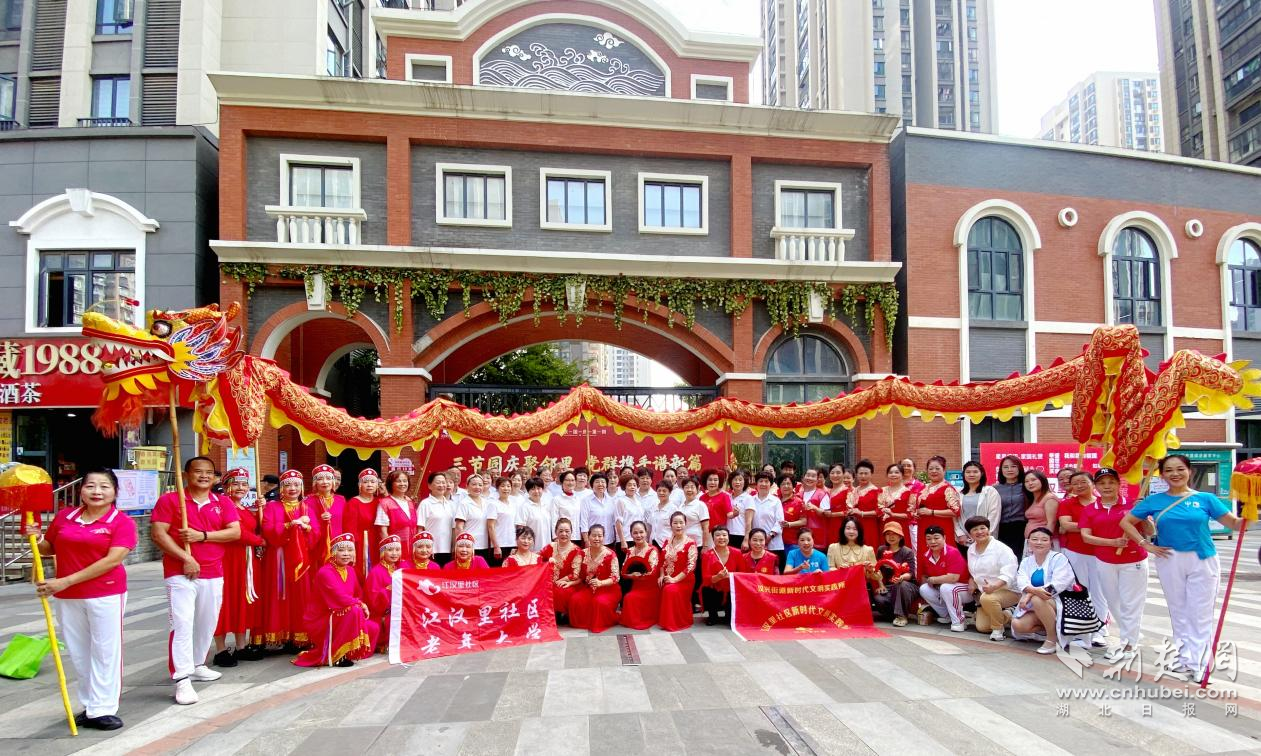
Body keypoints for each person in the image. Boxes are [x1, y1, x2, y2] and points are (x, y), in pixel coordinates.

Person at [24, 468, 136, 730]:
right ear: (81, 490)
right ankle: (90, 705)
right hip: (68, 596)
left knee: (105, 651)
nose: (97, 491)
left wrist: (65, 581)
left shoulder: (122, 522)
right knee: (79, 651)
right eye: (90, 486)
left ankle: (104, 708)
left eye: (104, 486)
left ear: (115, 492)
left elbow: (112, 560)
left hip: (105, 593)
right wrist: (37, 537)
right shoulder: (66, 516)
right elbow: (50, 547)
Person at [1123, 454, 1245, 679]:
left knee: (1200, 612)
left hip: (1202, 558)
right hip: (1169, 558)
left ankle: (1199, 663)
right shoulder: (1154, 501)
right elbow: (1126, 522)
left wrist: (1250, 510)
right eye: (1169, 470)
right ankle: (1184, 657)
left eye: (1180, 469)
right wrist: (1145, 545)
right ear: (1162, 475)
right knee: (1178, 610)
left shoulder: (1206, 499)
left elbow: (1234, 524)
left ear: (1190, 471)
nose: (1175, 474)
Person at [151, 456, 241, 706]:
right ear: (185, 475)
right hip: (180, 572)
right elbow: (158, 534)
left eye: (208, 472)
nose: (203, 476)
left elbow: (234, 532)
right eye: (198, 471)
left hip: (213, 570)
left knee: (207, 620)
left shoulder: (222, 502)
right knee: (182, 623)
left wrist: (201, 536)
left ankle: (198, 663)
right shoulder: (171, 500)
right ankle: (181, 678)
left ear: (214, 477)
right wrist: (185, 557)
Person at [1080, 467, 1148, 661]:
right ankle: (1130, 636)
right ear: (1096, 486)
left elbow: (1150, 530)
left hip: (1133, 560)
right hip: (1105, 560)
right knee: (1113, 602)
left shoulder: (1133, 504)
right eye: (1102, 483)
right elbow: (1086, 536)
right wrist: (1112, 543)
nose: (1107, 486)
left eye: (1111, 482)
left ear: (1119, 484)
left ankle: (1129, 644)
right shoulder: (1090, 509)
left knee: (1131, 603)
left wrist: (1143, 513)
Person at [294, 534, 379, 668]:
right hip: (323, 618)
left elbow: (358, 594)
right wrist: (360, 604)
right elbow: (339, 598)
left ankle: (351, 652)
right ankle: (338, 655)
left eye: (350, 550)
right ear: (333, 553)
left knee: (373, 627)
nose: (346, 554)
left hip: (342, 612)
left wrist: (360, 603)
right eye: (341, 550)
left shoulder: (350, 571)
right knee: (354, 611)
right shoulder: (325, 572)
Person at [213, 468, 265, 668]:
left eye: (244, 484)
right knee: (225, 602)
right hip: (228, 559)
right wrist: (259, 541)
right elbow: (238, 533)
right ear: (226, 486)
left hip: (245, 561)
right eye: (235, 483)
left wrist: (260, 510)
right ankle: (220, 649)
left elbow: (253, 526)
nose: (241, 488)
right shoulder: (222, 505)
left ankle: (241, 645)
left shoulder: (243, 507)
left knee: (241, 600)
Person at [261, 470, 315, 653]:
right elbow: (267, 530)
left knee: (299, 595)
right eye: (288, 485)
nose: (293, 488)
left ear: (302, 487)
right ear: (281, 488)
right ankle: (279, 635)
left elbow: (316, 534)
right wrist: (289, 525)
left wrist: (307, 528)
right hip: (279, 558)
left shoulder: (307, 508)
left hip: (300, 558)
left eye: (296, 484)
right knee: (279, 594)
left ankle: (298, 637)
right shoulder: (272, 507)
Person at [1058, 470, 1108, 647]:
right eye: (1075, 483)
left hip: (1101, 553)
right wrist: (1096, 525)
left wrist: (1082, 526)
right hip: (1075, 551)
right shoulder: (1067, 504)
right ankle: (1082, 630)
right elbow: (1065, 525)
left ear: (1092, 483)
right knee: (1079, 591)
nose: (1079, 486)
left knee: (1099, 592)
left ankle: (1100, 631)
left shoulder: (1103, 502)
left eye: (1083, 482)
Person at [1010, 528, 1078, 654]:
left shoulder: (1059, 558)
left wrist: (1029, 594)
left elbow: (1059, 583)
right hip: (1035, 604)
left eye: (1044, 540)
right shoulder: (1026, 561)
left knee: (1038, 599)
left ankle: (1052, 639)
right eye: (1035, 539)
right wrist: (1032, 592)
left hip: (1060, 601)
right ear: (1028, 542)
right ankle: (1048, 629)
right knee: (1018, 625)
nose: (1039, 542)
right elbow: (1022, 581)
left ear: (1050, 542)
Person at [964, 516, 1019, 641]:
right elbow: (974, 571)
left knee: (988, 598)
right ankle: (1008, 615)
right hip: (985, 592)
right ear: (970, 534)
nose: (979, 532)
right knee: (982, 627)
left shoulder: (1002, 549)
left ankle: (998, 629)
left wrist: (994, 586)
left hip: (1008, 590)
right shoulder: (971, 549)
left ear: (988, 529)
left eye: (982, 528)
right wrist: (972, 581)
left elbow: (1009, 573)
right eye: (975, 530)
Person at [569, 524, 621, 633]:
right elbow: (577, 574)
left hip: (608, 589)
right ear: (588, 537)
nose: (597, 538)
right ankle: (586, 622)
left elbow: (615, 577)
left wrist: (601, 583)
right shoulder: (582, 553)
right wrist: (567, 582)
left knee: (599, 602)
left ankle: (610, 618)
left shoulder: (611, 554)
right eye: (594, 535)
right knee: (575, 600)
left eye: (600, 536)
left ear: (603, 537)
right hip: (589, 589)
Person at [918, 525, 970, 632]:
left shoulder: (952, 552)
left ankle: (959, 621)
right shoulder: (926, 555)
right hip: (944, 588)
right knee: (924, 589)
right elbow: (924, 576)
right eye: (929, 539)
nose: (933, 541)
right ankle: (947, 615)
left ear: (944, 538)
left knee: (947, 587)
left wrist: (933, 580)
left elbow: (953, 578)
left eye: (936, 538)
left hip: (966, 588)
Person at [364, 534, 407, 652]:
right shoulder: (376, 572)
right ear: (383, 552)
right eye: (390, 550)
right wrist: (388, 590)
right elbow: (373, 602)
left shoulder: (401, 569)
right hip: (382, 614)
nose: (394, 553)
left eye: (397, 550)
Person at [658, 512, 698, 631]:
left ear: (685, 524)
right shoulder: (667, 541)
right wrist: (661, 575)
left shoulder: (691, 543)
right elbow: (662, 561)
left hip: (684, 580)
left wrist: (675, 579)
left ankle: (676, 622)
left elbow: (691, 566)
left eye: (681, 522)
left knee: (669, 590)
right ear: (671, 525)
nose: (678, 525)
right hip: (668, 577)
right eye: (675, 523)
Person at [340, 469, 383, 580]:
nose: (369, 485)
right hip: (361, 543)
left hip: (377, 541)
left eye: (373, 482)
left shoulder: (380, 502)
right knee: (361, 571)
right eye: (366, 482)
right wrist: (351, 547)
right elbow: (349, 528)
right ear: (360, 485)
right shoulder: (353, 503)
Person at [872, 522, 917, 626]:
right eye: (888, 534)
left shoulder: (907, 552)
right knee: (879, 599)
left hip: (906, 585)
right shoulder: (882, 550)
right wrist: (881, 585)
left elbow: (910, 574)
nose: (891, 537)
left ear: (900, 536)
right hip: (889, 586)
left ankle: (902, 616)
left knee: (901, 585)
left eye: (894, 534)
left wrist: (901, 577)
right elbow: (877, 569)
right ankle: (894, 615)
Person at [539, 518, 584, 623]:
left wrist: (561, 581)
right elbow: (537, 558)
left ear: (571, 532)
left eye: (567, 531)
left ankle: (561, 613)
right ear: (556, 532)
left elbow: (575, 574)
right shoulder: (550, 547)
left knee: (559, 591)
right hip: (550, 581)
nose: (564, 534)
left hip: (570, 583)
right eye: (561, 531)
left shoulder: (577, 551)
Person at [619, 521, 661, 629]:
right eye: (635, 533)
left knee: (631, 598)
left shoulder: (653, 550)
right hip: (636, 586)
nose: (638, 535)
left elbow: (652, 572)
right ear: (631, 534)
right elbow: (623, 572)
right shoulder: (630, 551)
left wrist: (640, 576)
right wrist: (631, 575)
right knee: (628, 597)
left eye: (641, 532)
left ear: (646, 533)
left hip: (651, 587)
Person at [916, 456, 960, 558]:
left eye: (937, 468)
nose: (934, 471)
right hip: (924, 527)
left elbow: (955, 511)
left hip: (942, 528)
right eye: (930, 469)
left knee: (942, 556)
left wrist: (931, 512)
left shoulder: (948, 489)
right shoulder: (923, 488)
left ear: (944, 470)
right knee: (925, 555)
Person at [701, 526, 744, 625]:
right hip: (715, 587)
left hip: (731, 588)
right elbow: (705, 578)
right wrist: (718, 577)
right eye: (717, 535)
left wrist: (731, 575)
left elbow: (743, 574)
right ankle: (712, 615)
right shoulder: (707, 555)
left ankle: (729, 614)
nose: (721, 538)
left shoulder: (737, 553)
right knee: (706, 589)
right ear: (713, 538)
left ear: (728, 537)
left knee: (729, 620)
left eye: (724, 535)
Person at [304, 464, 344, 567]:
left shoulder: (341, 500)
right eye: (320, 479)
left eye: (328, 478)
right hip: (317, 546)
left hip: (337, 545)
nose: (325, 482)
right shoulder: (307, 501)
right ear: (315, 482)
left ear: (333, 481)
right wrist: (318, 520)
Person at [956, 461, 1000, 554]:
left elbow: (994, 515)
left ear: (982, 473)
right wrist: (960, 534)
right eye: (968, 472)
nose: (971, 475)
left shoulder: (990, 491)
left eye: (975, 472)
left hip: (985, 538)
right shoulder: (958, 493)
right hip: (964, 540)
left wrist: (983, 534)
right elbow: (955, 517)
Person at [744, 472, 786, 563]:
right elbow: (747, 521)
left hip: (774, 545)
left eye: (766, 481)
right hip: (755, 545)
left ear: (770, 484)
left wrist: (769, 537)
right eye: (761, 481)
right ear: (756, 484)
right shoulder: (750, 500)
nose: (763, 484)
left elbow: (780, 522)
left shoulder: (776, 501)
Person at [416, 472, 456, 565]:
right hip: (430, 550)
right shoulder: (425, 504)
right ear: (429, 486)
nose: (441, 485)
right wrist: (421, 548)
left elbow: (453, 528)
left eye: (443, 482)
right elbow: (420, 528)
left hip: (448, 550)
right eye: (438, 482)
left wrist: (454, 547)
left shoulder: (450, 505)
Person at [376, 471, 419, 556]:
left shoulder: (410, 502)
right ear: (391, 484)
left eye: (405, 481)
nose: (402, 484)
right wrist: (390, 551)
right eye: (398, 481)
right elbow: (382, 532)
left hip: (412, 550)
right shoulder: (385, 503)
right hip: (394, 552)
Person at [993, 455, 1028, 557]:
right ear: (1001, 470)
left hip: (1021, 527)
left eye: (1013, 466)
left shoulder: (1027, 486)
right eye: (1005, 467)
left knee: (1020, 556)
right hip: (1001, 528)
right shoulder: (994, 489)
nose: (1009, 470)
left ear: (1019, 468)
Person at [878, 463, 917, 551]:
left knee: (902, 553)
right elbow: (878, 509)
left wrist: (893, 514)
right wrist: (882, 511)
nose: (893, 475)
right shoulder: (881, 491)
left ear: (902, 475)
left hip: (901, 527)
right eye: (890, 472)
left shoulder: (909, 492)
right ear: (887, 475)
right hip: (885, 526)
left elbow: (910, 514)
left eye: (896, 472)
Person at [455, 473, 493, 563]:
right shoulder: (464, 503)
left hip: (485, 545)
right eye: (474, 484)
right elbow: (459, 527)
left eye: (480, 485)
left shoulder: (487, 502)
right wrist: (463, 545)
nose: (477, 487)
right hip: (469, 547)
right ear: (467, 486)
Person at [846, 460, 882, 548]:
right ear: (856, 475)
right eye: (860, 473)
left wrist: (861, 513)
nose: (863, 476)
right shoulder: (853, 491)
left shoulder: (877, 491)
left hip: (869, 526)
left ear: (871, 474)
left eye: (866, 473)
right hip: (854, 526)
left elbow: (879, 511)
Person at [1022, 470, 1059, 554]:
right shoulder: (1032, 499)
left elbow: (1051, 522)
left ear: (1042, 480)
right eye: (1026, 481)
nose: (1030, 483)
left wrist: (1045, 541)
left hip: (1042, 544)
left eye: (1033, 480)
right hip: (1031, 541)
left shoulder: (1049, 498)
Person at [579, 472, 617, 550]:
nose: (600, 484)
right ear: (592, 485)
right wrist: (586, 541)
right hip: (593, 541)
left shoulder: (611, 501)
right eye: (597, 482)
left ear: (606, 484)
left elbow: (614, 522)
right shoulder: (586, 501)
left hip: (609, 540)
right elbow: (584, 522)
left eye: (603, 482)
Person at [517, 477, 555, 554]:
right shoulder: (524, 507)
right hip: (532, 550)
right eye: (533, 489)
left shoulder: (546, 505)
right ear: (528, 491)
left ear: (542, 489)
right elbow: (520, 529)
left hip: (547, 548)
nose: (536, 491)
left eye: (539, 488)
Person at [700, 469, 737, 548]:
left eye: (715, 480)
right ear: (705, 481)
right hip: (704, 532)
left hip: (718, 533)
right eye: (710, 480)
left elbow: (729, 514)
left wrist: (735, 514)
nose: (712, 482)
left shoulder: (724, 496)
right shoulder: (702, 498)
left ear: (719, 482)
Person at [798, 467, 832, 549]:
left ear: (817, 480)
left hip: (817, 535)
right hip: (800, 535)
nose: (810, 478)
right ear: (803, 478)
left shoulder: (822, 494)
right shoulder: (798, 494)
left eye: (813, 476)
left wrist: (815, 508)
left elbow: (827, 514)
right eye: (808, 475)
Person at [776, 474, 805, 567]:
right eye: (783, 484)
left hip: (791, 542)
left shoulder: (799, 502)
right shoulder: (775, 500)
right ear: (779, 486)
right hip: (775, 542)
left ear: (793, 486)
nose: (786, 486)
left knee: (791, 568)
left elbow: (804, 521)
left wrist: (789, 524)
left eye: (788, 484)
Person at [820, 463, 850, 548]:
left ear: (843, 474)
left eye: (838, 473)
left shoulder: (848, 491)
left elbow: (849, 511)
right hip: (827, 526)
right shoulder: (827, 491)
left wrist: (832, 514)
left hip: (842, 526)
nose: (835, 475)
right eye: (832, 473)